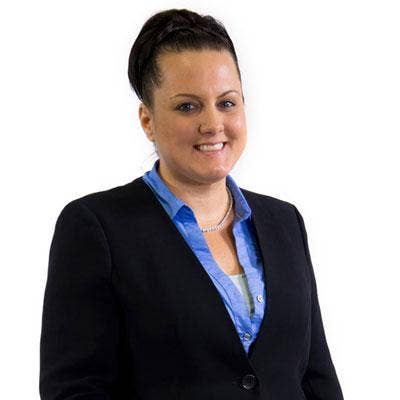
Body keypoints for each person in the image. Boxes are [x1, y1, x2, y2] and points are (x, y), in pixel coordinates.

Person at [39, 8, 345, 400]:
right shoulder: (97, 228)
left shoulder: (284, 221)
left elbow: (316, 378)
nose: (213, 124)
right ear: (147, 120)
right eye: (188, 106)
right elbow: (75, 390)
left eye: (227, 103)